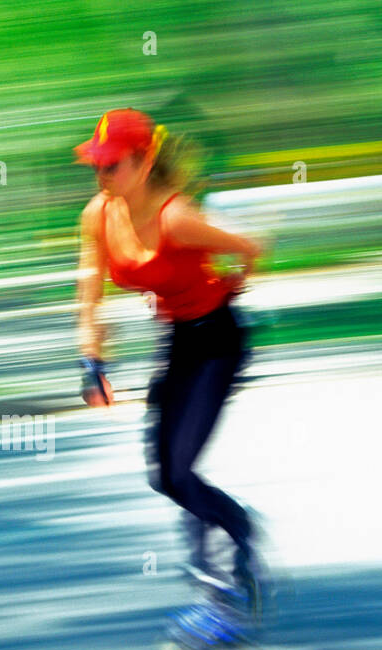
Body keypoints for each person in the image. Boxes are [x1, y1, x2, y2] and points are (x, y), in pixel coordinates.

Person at [73, 108, 271, 620]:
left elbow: (252, 247)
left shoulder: (175, 218)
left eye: (112, 164)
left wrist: (235, 282)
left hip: (219, 343)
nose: (102, 175)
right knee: (163, 476)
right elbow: (89, 290)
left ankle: (219, 578)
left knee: (181, 472)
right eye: (97, 164)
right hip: (180, 342)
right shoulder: (99, 214)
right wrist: (91, 358)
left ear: (143, 163)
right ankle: (234, 536)